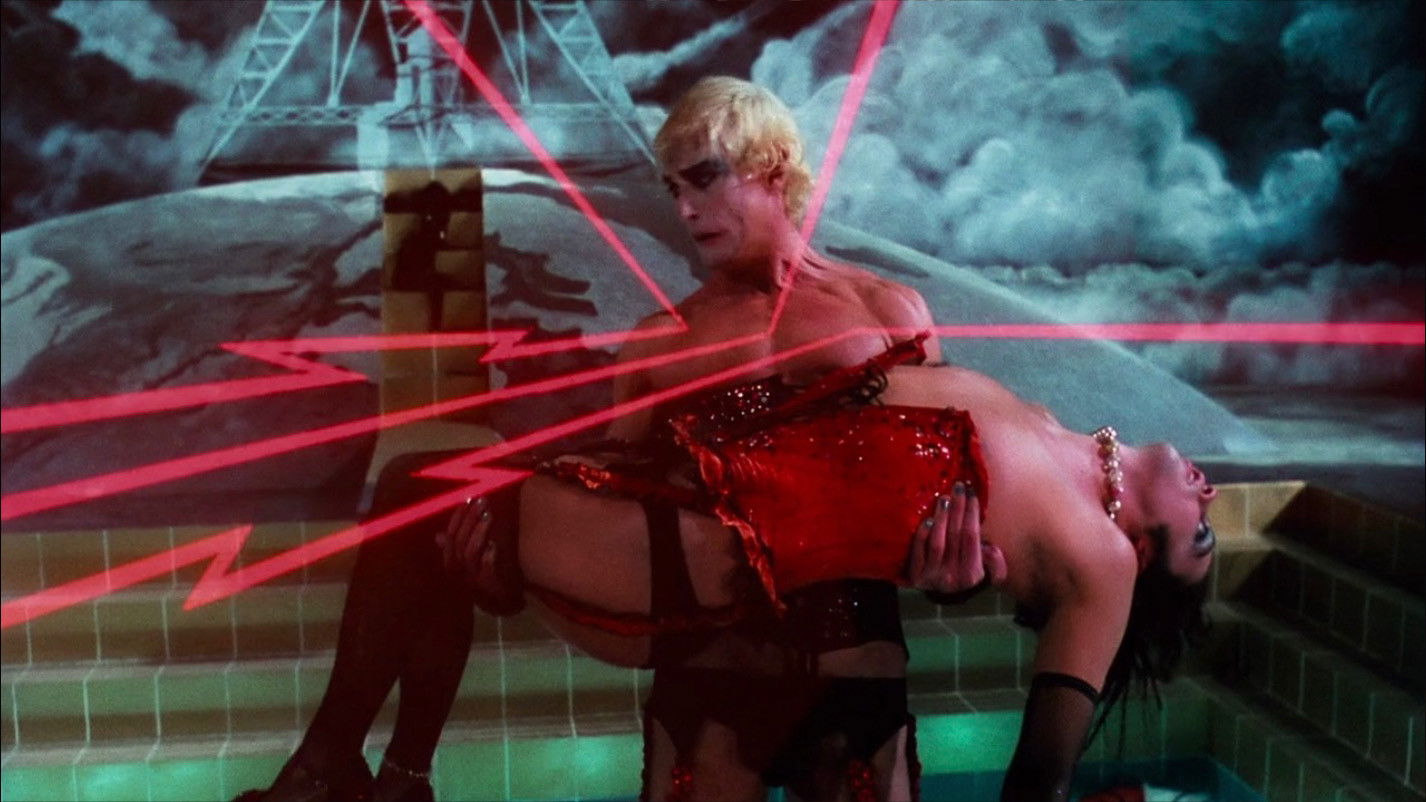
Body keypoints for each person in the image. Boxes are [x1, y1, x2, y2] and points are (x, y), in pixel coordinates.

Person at [238, 77, 987, 802]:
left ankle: (362, 772)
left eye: (703, 179)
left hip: (853, 670)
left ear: (773, 167)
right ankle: (376, 772)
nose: (685, 209)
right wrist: (500, 581)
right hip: (707, 681)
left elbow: (960, 490)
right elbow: (612, 521)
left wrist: (960, 571)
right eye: (673, 189)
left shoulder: (888, 313)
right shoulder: (662, 342)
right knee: (421, 490)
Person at [450, 333, 1219, 802]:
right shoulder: (1046, 424)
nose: (1208, 493)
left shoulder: (1105, 560)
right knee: (421, 502)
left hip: (718, 573)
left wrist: (952, 589)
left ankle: (385, 773)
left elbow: (1041, 778)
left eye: (1202, 535)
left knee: (419, 500)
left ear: (1145, 552)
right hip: (688, 533)